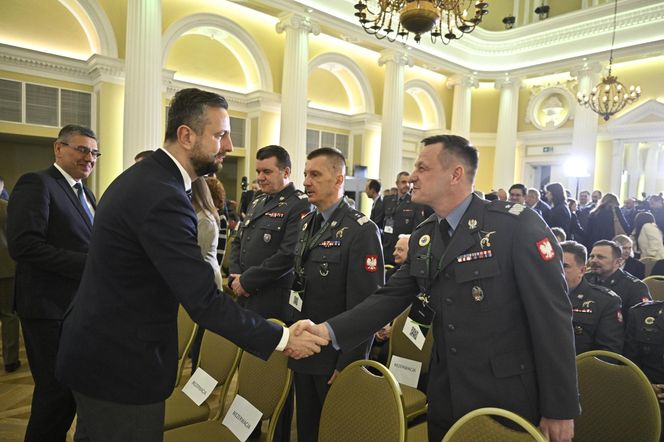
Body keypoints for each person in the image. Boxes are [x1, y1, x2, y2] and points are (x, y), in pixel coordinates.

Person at [54, 88, 326, 441]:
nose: (228, 145)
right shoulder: (163, 195)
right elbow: (203, 301)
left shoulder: (146, 178)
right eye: (219, 134)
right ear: (186, 135)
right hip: (121, 367)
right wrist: (284, 337)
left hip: (99, 353)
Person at [295, 134, 580, 442]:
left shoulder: (515, 227)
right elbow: (388, 298)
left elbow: (552, 319)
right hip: (445, 390)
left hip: (504, 395)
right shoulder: (425, 236)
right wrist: (327, 331)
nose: (412, 177)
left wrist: (560, 407)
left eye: (422, 167)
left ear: (455, 174)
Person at [6, 124, 98, 441]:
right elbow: (24, 246)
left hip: (75, 307)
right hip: (48, 307)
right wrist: (90, 266)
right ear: (59, 148)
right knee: (55, 393)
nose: (90, 157)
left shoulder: (86, 192)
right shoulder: (38, 183)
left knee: (64, 392)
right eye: (82, 149)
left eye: (94, 152)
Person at [290, 147, 384, 442]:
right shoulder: (307, 223)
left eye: (315, 175)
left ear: (339, 178)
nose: (306, 182)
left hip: (334, 356)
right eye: (305, 174)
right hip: (304, 345)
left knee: (336, 431)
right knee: (306, 427)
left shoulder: (361, 230)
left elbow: (368, 305)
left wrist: (349, 363)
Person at [230, 144, 311, 321]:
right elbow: (237, 241)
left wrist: (247, 281)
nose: (260, 177)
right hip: (243, 291)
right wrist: (236, 278)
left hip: (271, 297)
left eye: (267, 171)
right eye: (258, 171)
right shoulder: (257, 201)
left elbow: (288, 254)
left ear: (286, 172)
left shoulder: (299, 204)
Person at [560, 241, 623, 354]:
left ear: (582, 271)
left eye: (564, 266)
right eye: (555, 265)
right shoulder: (537, 296)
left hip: (581, 368)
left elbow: (608, 353)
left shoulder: (605, 301)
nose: (558, 271)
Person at [586, 240, 651, 322]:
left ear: (618, 262)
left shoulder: (635, 287)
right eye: (592, 256)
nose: (594, 260)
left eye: (600, 257)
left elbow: (641, 323)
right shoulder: (584, 279)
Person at [381, 171, 429, 265]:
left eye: (409, 182)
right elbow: (379, 223)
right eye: (403, 182)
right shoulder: (387, 200)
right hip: (387, 248)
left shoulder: (415, 203)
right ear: (397, 184)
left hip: (403, 251)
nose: (407, 185)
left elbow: (417, 229)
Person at [0, 198, 20, 373]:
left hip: (6, 268)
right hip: (6, 268)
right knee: (8, 315)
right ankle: (10, 360)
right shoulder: (6, 207)